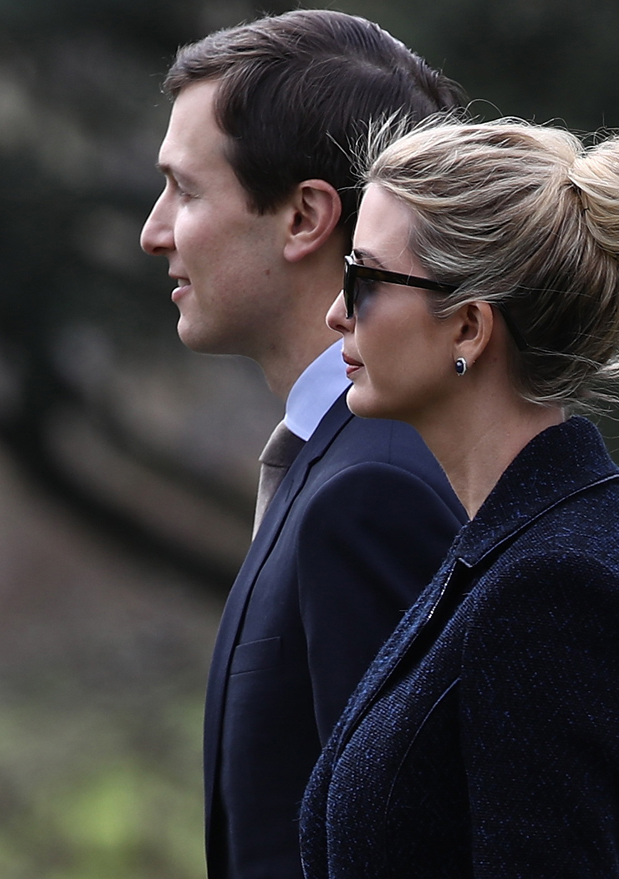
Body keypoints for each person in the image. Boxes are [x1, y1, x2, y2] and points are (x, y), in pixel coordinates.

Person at [299, 118, 619, 878]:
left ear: (468, 326)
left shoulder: (557, 591)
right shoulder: (515, 553)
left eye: (363, 278)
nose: (336, 312)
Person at [139, 11, 467, 879]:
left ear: (304, 217)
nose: (154, 230)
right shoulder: (343, 465)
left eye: (185, 191)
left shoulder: (376, 490)